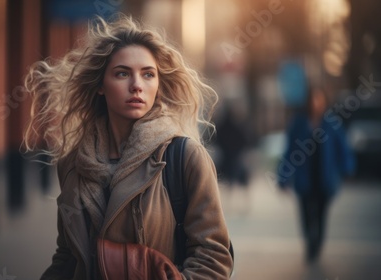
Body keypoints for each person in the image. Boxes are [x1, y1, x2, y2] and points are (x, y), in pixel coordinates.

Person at [23, 15, 233, 279]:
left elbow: (213, 258)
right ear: (100, 85)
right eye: (122, 73)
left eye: (148, 74)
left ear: (158, 85)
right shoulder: (73, 163)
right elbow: (67, 256)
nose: (136, 86)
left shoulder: (185, 157)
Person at [277, 86, 355, 263]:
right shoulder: (298, 123)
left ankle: (317, 244)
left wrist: (347, 168)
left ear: (324, 101)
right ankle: (309, 243)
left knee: (320, 215)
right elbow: (289, 152)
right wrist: (283, 178)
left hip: (324, 179)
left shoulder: (331, 123)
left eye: (319, 99)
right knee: (305, 214)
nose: (315, 103)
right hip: (305, 179)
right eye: (312, 99)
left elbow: (342, 149)